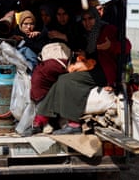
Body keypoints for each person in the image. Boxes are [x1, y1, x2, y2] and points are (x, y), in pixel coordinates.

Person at [31, 7, 131, 135]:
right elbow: (91, 53)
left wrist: (110, 46)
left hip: (104, 72)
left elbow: (126, 46)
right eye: (84, 20)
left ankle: (74, 124)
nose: (87, 22)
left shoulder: (108, 29)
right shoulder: (87, 34)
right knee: (61, 79)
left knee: (68, 81)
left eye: (90, 19)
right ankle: (41, 119)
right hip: (92, 67)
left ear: (97, 19)